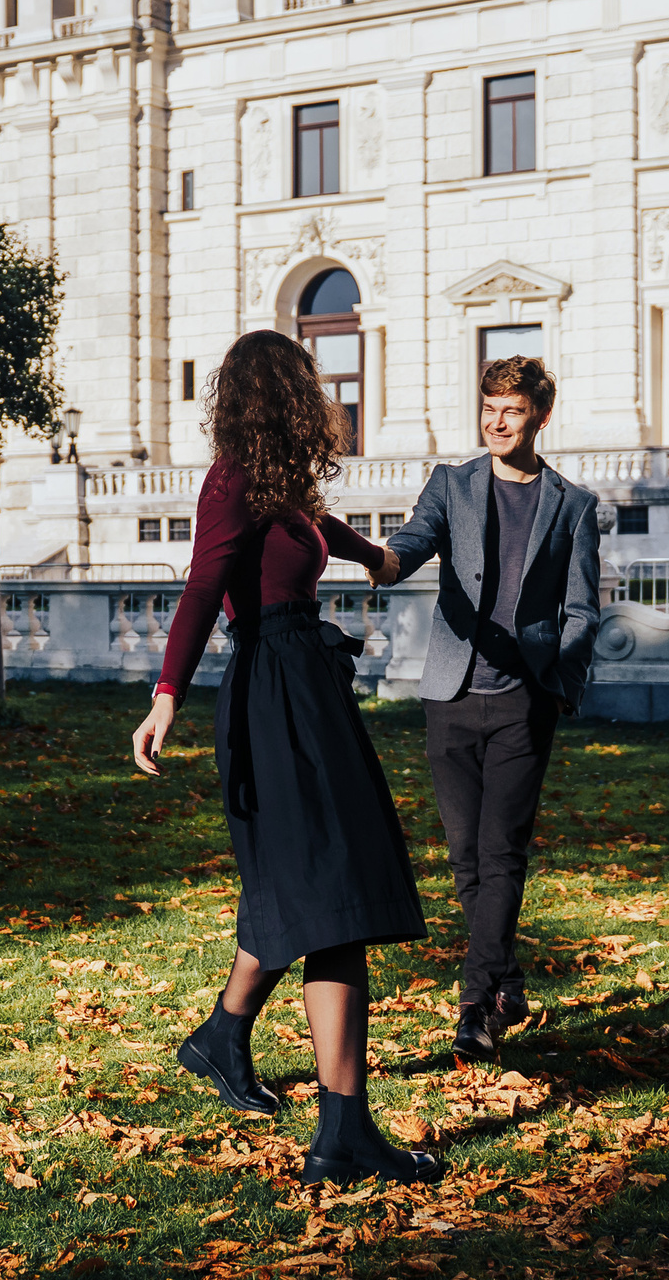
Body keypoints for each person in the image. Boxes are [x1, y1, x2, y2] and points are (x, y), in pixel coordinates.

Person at [130, 330, 442, 1186]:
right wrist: (166, 696)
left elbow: (310, 526)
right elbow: (203, 582)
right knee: (327, 897)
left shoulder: (273, 484)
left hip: (303, 686)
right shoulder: (229, 480)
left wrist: (372, 553)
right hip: (277, 693)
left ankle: (231, 1042)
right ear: (285, 396)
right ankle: (340, 1135)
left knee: (319, 891)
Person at [380, 355, 602, 1065]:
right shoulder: (452, 484)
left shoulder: (573, 504)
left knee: (501, 851)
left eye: (510, 409)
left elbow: (583, 609)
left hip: (521, 704)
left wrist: (552, 682)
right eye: (488, 407)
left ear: (539, 414)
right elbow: (411, 544)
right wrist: (374, 554)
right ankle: (507, 978)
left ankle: (477, 1005)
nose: (496, 420)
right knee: (464, 857)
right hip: (450, 695)